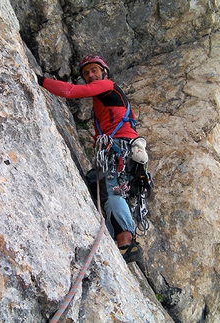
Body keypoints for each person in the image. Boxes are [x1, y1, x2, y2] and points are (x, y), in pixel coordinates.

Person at [36, 55, 144, 263]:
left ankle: (125, 243)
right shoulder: (105, 99)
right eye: (86, 73)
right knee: (95, 181)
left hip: (119, 147)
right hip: (122, 148)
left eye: (94, 70)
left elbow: (70, 91)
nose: (90, 75)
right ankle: (117, 232)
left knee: (112, 191)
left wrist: (39, 81)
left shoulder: (108, 86)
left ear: (104, 72)